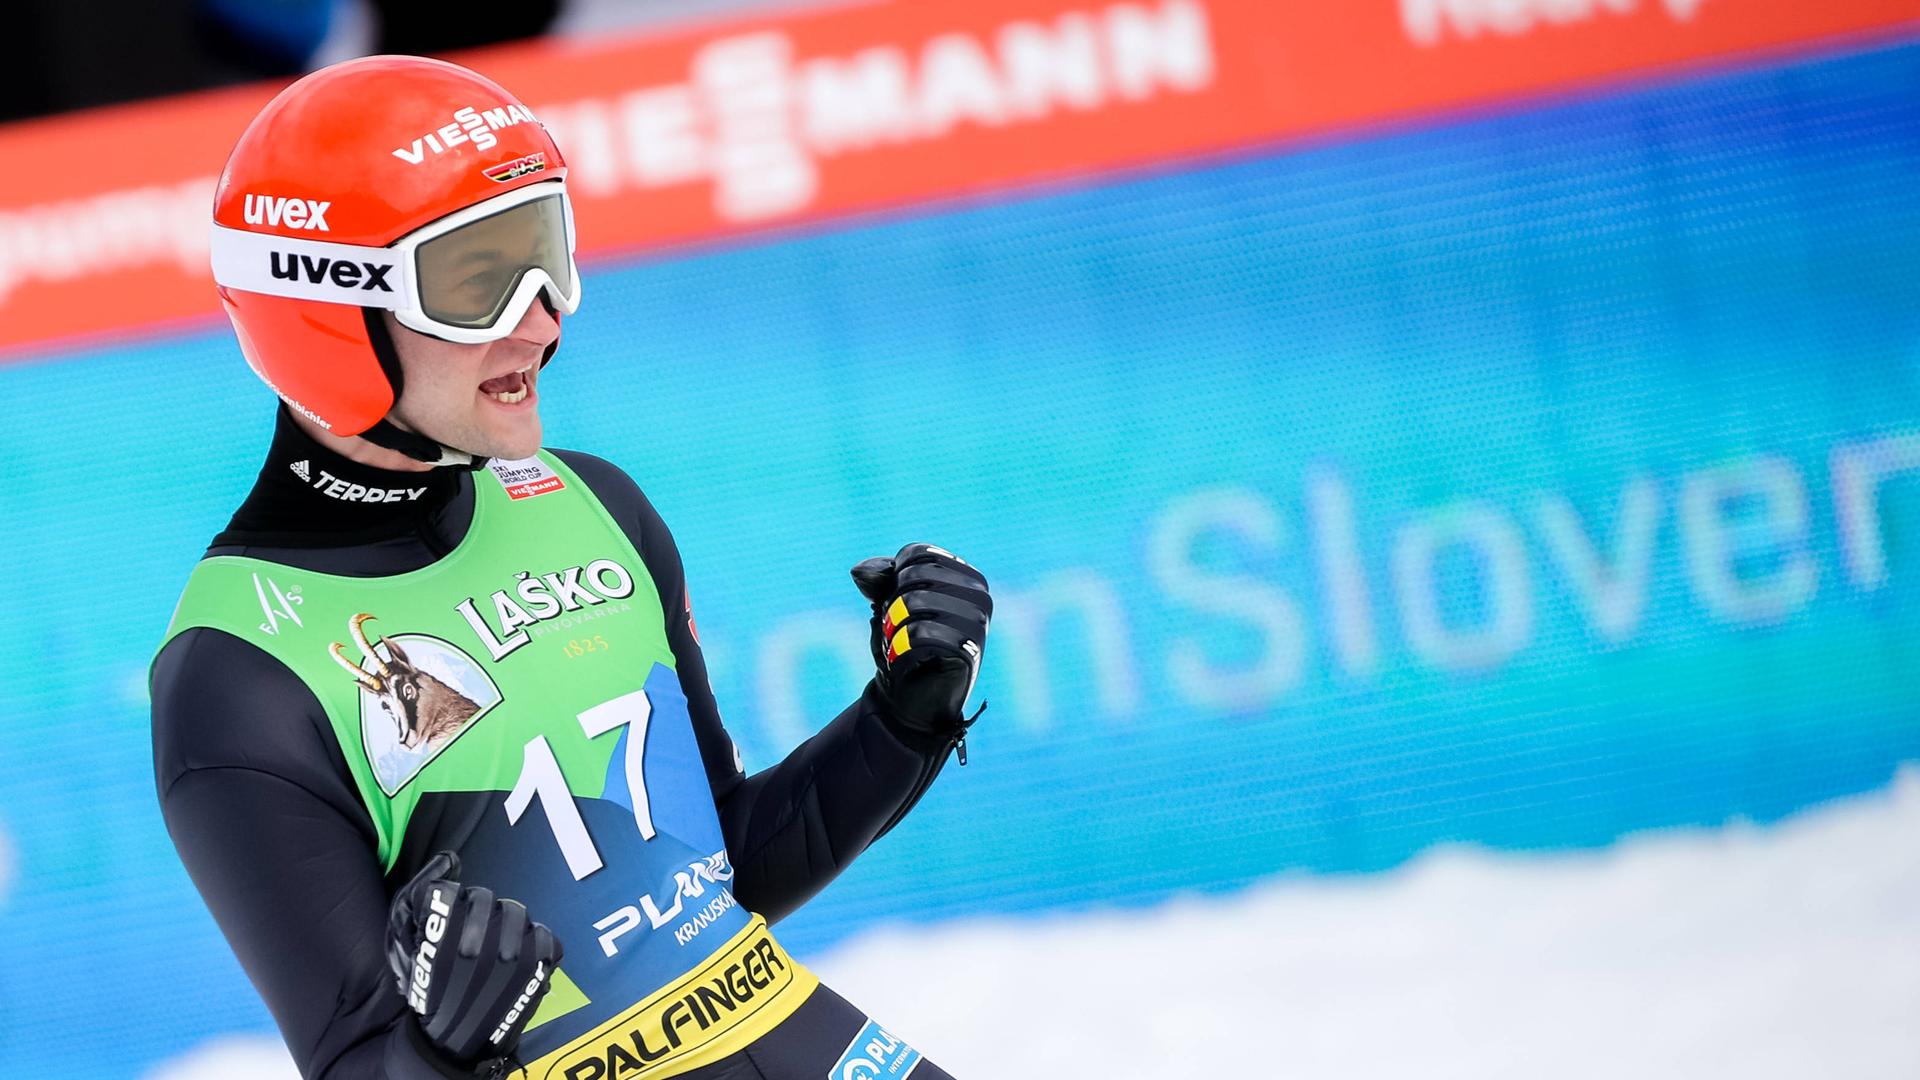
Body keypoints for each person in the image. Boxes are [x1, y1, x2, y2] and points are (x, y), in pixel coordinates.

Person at [150, 55, 991, 1080]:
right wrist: (442, 1042)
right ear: (328, 311)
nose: (543, 317)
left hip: (790, 1033)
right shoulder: (239, 674)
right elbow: (360, 1063)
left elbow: (722, 869)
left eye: (545, 254)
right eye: (476, 278)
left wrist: (902, 719)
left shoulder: (594, 503)